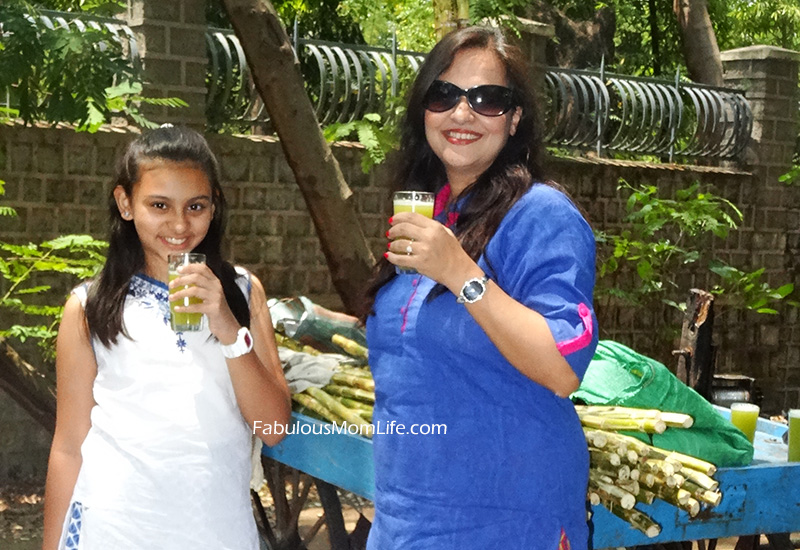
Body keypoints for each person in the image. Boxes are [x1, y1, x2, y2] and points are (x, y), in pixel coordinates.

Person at [363, 27, 598, 550]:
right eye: (443, 94)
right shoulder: (429, 212)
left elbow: (563, 368)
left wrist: (461, 274)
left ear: (515, 119)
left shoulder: (542, 216)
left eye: (487, 99)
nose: (461, 113)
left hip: (509, 518)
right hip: (406, 519)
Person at [41, 126, 292, 550]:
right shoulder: (90, 307)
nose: (179, 224)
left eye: (196, 205)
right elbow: (68, 447)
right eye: (159, 205)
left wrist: (228, 326)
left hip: (217, 531)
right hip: (114, 530)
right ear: (125, 203)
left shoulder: (244, 292)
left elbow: (272, 428)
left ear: (214, 207)